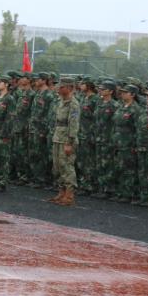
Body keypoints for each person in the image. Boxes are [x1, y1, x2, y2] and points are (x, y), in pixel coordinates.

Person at [47, 77, 81, 206]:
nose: (59, 89)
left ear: (70, 88)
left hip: (66, 138)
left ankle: (69, 195)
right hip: (58, 137)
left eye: (62, 87)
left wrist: (69, 142)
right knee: (57, 167)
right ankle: (61, 192)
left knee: (67, 166)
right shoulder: (61, 101)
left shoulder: (73, 104)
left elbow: (73, 124)